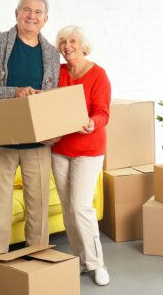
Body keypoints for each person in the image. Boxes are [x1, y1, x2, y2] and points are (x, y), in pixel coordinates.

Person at [0, 0, 60, 258]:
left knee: (39, 207)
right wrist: (14, 92)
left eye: (38, 13)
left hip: (38, 142)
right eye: (26, 10)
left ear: (45, 20)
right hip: (2, 140)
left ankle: (38, 262)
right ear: (17, 13)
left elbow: (53, 99)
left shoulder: (52, 55)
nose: (31, 16)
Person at [49, 25, 111, 286]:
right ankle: (81, 260)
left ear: (83, 45)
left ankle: (97, 264)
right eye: (62, 41)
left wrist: (92, 123)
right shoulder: (58, 73)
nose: (67, 46)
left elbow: (103, 112)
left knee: (80, 207)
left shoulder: (98, 74)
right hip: (60, 149)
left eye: (72, 41)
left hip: (88, 149)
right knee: (68, 210)